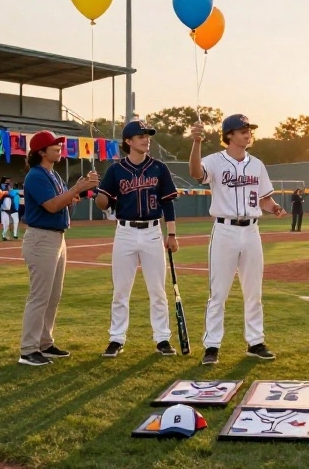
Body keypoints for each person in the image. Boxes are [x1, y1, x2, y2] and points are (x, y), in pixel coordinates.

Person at [189, 114, 286, 365]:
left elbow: (264, 198)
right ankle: (212, 345)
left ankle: (255, 342)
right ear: (229, 135)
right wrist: (196, 142)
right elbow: (195, 173)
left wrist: (274, 207)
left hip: (252, 231)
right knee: (218, 292)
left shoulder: (257, 165)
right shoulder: (214, 160)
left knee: (253, 291)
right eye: (243, 130)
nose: (248, 133)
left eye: (249, 130)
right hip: (225, 230)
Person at [95, 120, 180, 358]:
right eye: (141, 136)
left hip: (153, 231)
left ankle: (162, 338)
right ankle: (116, 338)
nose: (146, 139)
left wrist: (171, 234)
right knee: (121, 290)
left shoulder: (159, 167)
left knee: (157, 290)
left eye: (148, 135)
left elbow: (167, 203)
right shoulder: (115, 170)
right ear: (128, 141)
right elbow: (104, 202)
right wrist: (98, 191)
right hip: (125, 232)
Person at [18, 130, 98, 366]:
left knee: (53, 296)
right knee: (39, 296)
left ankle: (44, 343)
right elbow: (52, 206)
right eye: (54, 146)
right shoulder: (36, 176)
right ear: (41, 152)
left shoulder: (53, 175)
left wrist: (76, 193)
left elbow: (63, 204)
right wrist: (76, 189)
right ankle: (28, 349)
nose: (59, 148)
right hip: (41, 238)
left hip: (56, 238)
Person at [0, 176, 20, 241]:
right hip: (5, 208)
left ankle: (15, 235)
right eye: (7, 181)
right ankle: (4, 235)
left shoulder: (11, 189)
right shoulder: (2, 187)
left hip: (12, 207)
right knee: (6, 223)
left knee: (15, 221)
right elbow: (3, 193)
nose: (8, 182)